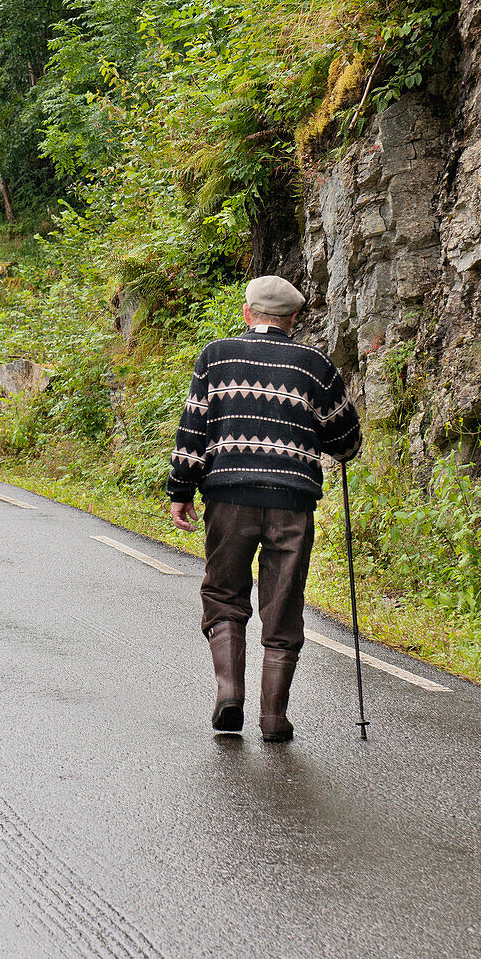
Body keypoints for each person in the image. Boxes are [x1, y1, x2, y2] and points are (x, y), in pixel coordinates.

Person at [166, 275, 361, 742]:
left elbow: (193, 432)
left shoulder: (216, 357)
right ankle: (273, 719)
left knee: (224, 595)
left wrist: (181, 490)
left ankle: (228, 694)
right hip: (291, 503)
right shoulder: (313, 365)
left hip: (228, 497)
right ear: (293, 319)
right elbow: (347, 440)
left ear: (247, 313)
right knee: (284, 603)